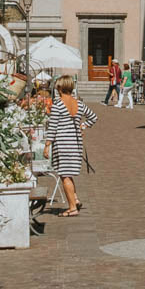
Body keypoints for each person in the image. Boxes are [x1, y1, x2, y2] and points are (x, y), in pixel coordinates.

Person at [47, 74, 97, 215]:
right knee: (68, 174)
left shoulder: (58, 105)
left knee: (65, 176)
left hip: (62, 144)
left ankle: (72, 208)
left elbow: (52, 127)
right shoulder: (79, 103)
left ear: (61, 88)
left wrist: (47, 145)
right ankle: (74, 199)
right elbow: (93, 117)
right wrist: (82, 126)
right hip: (75, 144)